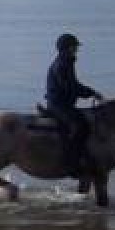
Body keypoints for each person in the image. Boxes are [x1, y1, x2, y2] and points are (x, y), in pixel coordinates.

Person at [45, 33, 103, 176]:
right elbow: (70, 87)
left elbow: (73, 86)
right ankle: (70, 162)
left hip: (65, 104)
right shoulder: (61, 65)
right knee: (81, 127)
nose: (76, 49)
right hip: (58, 106)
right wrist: (91, 92)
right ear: (66, 48)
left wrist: (89, 92)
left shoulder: (67, 62)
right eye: (74, 46)